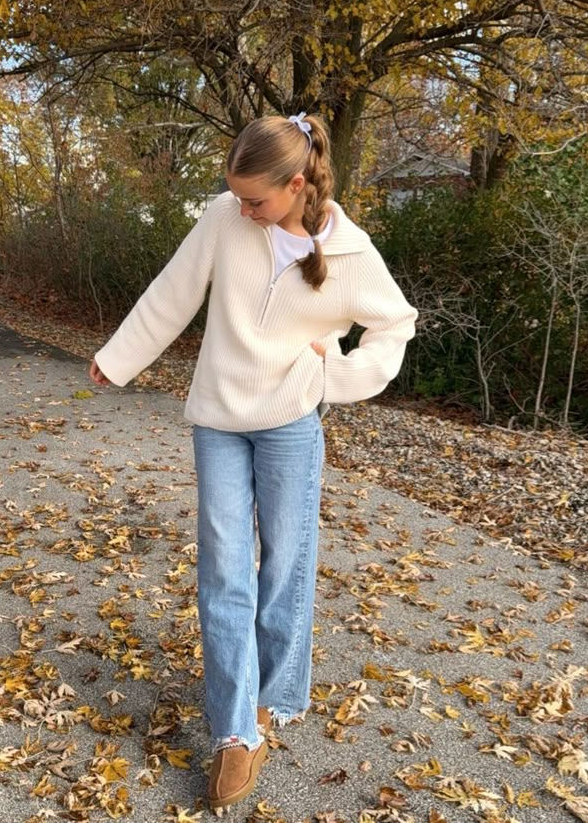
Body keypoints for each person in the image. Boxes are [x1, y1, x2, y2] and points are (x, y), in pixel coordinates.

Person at [89, 112, 419, 811]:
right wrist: (118, 359)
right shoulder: (221, 219)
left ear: (298, 185)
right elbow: (172, 292)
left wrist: (339, 378)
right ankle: (238, 730)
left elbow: (396, 325)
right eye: (236, 196)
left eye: (257, 200)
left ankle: (274, 698)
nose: (244, 209)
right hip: (218, 420)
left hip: (292, 425)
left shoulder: (354, 257)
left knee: (286, 567)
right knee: (224, 570)